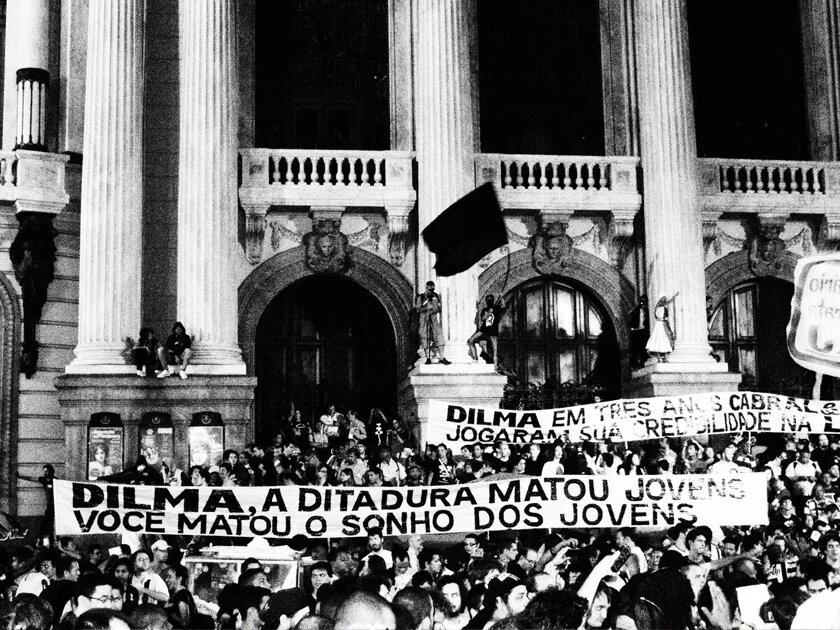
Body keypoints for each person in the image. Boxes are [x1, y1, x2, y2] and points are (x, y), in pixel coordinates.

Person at [416, 281, 450, 365]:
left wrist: (436, 309)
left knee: (439, 336)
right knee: (425, 338)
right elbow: (417, 309)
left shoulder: (436, 296)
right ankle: (428, 358)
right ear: (426, 288)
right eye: (430, 289)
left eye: (433, 289)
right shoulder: (421, 297)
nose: (431, 291)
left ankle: (442, 357)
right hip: (424, 319)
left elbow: (438, 308)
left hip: (434, 319)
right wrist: (426, 307)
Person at [468, 295, 504, 364]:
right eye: (488, 300)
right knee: (471, 340)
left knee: (494, 350)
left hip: (493, 332)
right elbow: (482, 319)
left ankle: (495, 366)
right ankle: (475, 358)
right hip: (484, 330)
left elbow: (503, 305)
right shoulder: (485, 310)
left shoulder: (496, 308)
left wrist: (501, 297)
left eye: (490, 299)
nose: (489, 301)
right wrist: (488, 313)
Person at [646, 293, 678, 362]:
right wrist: (674, 296)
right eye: (663, 299)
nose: (664, 300)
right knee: (659, 340)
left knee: (664, 340)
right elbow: (668, 302)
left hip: (662, 324)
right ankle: (659, 358)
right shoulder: (660, 306)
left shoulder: (660, 307)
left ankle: (664, 358)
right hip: (660, 325)